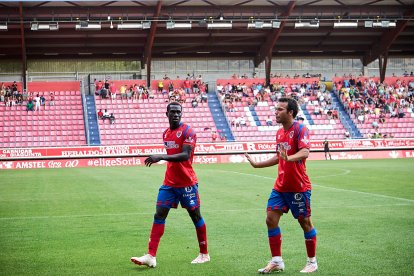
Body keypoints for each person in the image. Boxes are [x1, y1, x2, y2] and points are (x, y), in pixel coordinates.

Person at [131, 102, 210, 268]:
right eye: (172, 112)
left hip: (187, 182)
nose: (176, 114)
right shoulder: (166, 133)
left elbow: (185, 155)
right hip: (169, 183)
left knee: (195, 217)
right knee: (159, 215)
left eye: (178, 112)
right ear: (166, 114)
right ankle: (151, 256)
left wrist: (160, 156)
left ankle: (204, 254)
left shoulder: (188, 131)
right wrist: (162, 157)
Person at [245, 97, 318, 274]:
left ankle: (312, 262)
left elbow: (305, 151)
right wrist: (257, 164)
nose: (275, 112)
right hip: (281, 186)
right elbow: (279, 156)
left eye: (280, 109)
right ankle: (277, 261)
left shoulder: (301, 129)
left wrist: (289, 158)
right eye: (276, 109)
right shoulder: (279, 133)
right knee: (270, 219)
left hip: (298, 187)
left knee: (305, 222)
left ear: (290, 112)